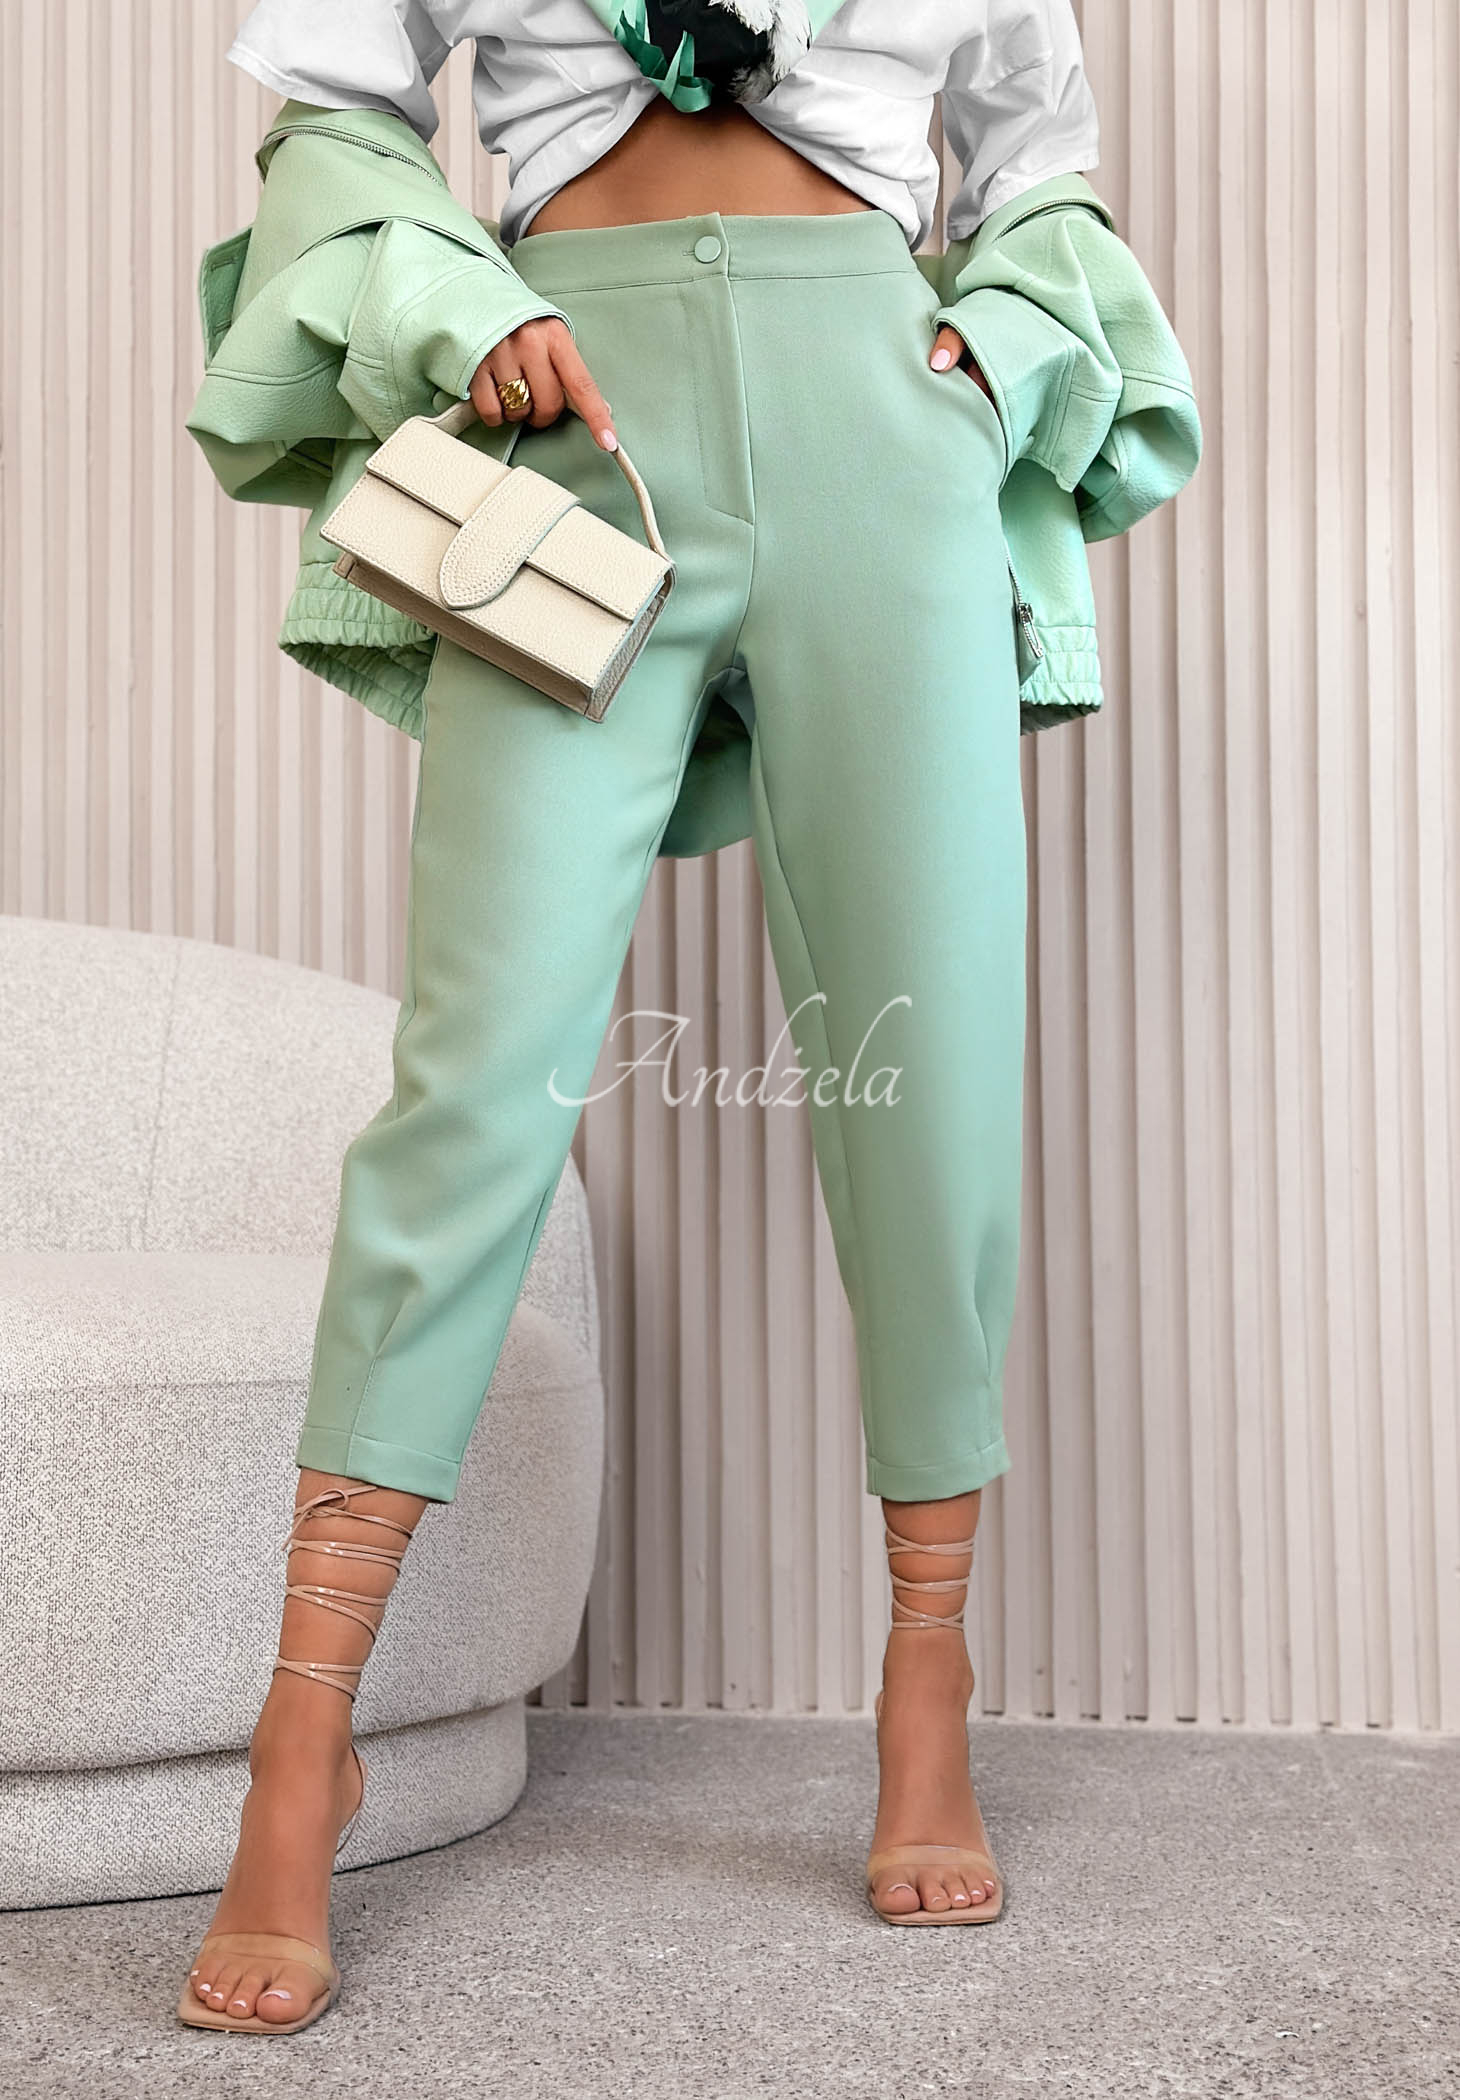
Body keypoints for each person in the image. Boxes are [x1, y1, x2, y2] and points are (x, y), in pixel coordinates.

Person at [179, 0, 1199, 2034]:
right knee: (476, 1078)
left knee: (924, 1061)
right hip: (571, 415)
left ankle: (927, 1678)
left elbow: (1034, 150)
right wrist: (460, 306)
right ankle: (305, 1728)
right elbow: (329, 99)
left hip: (878, 415)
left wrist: (993, 342)